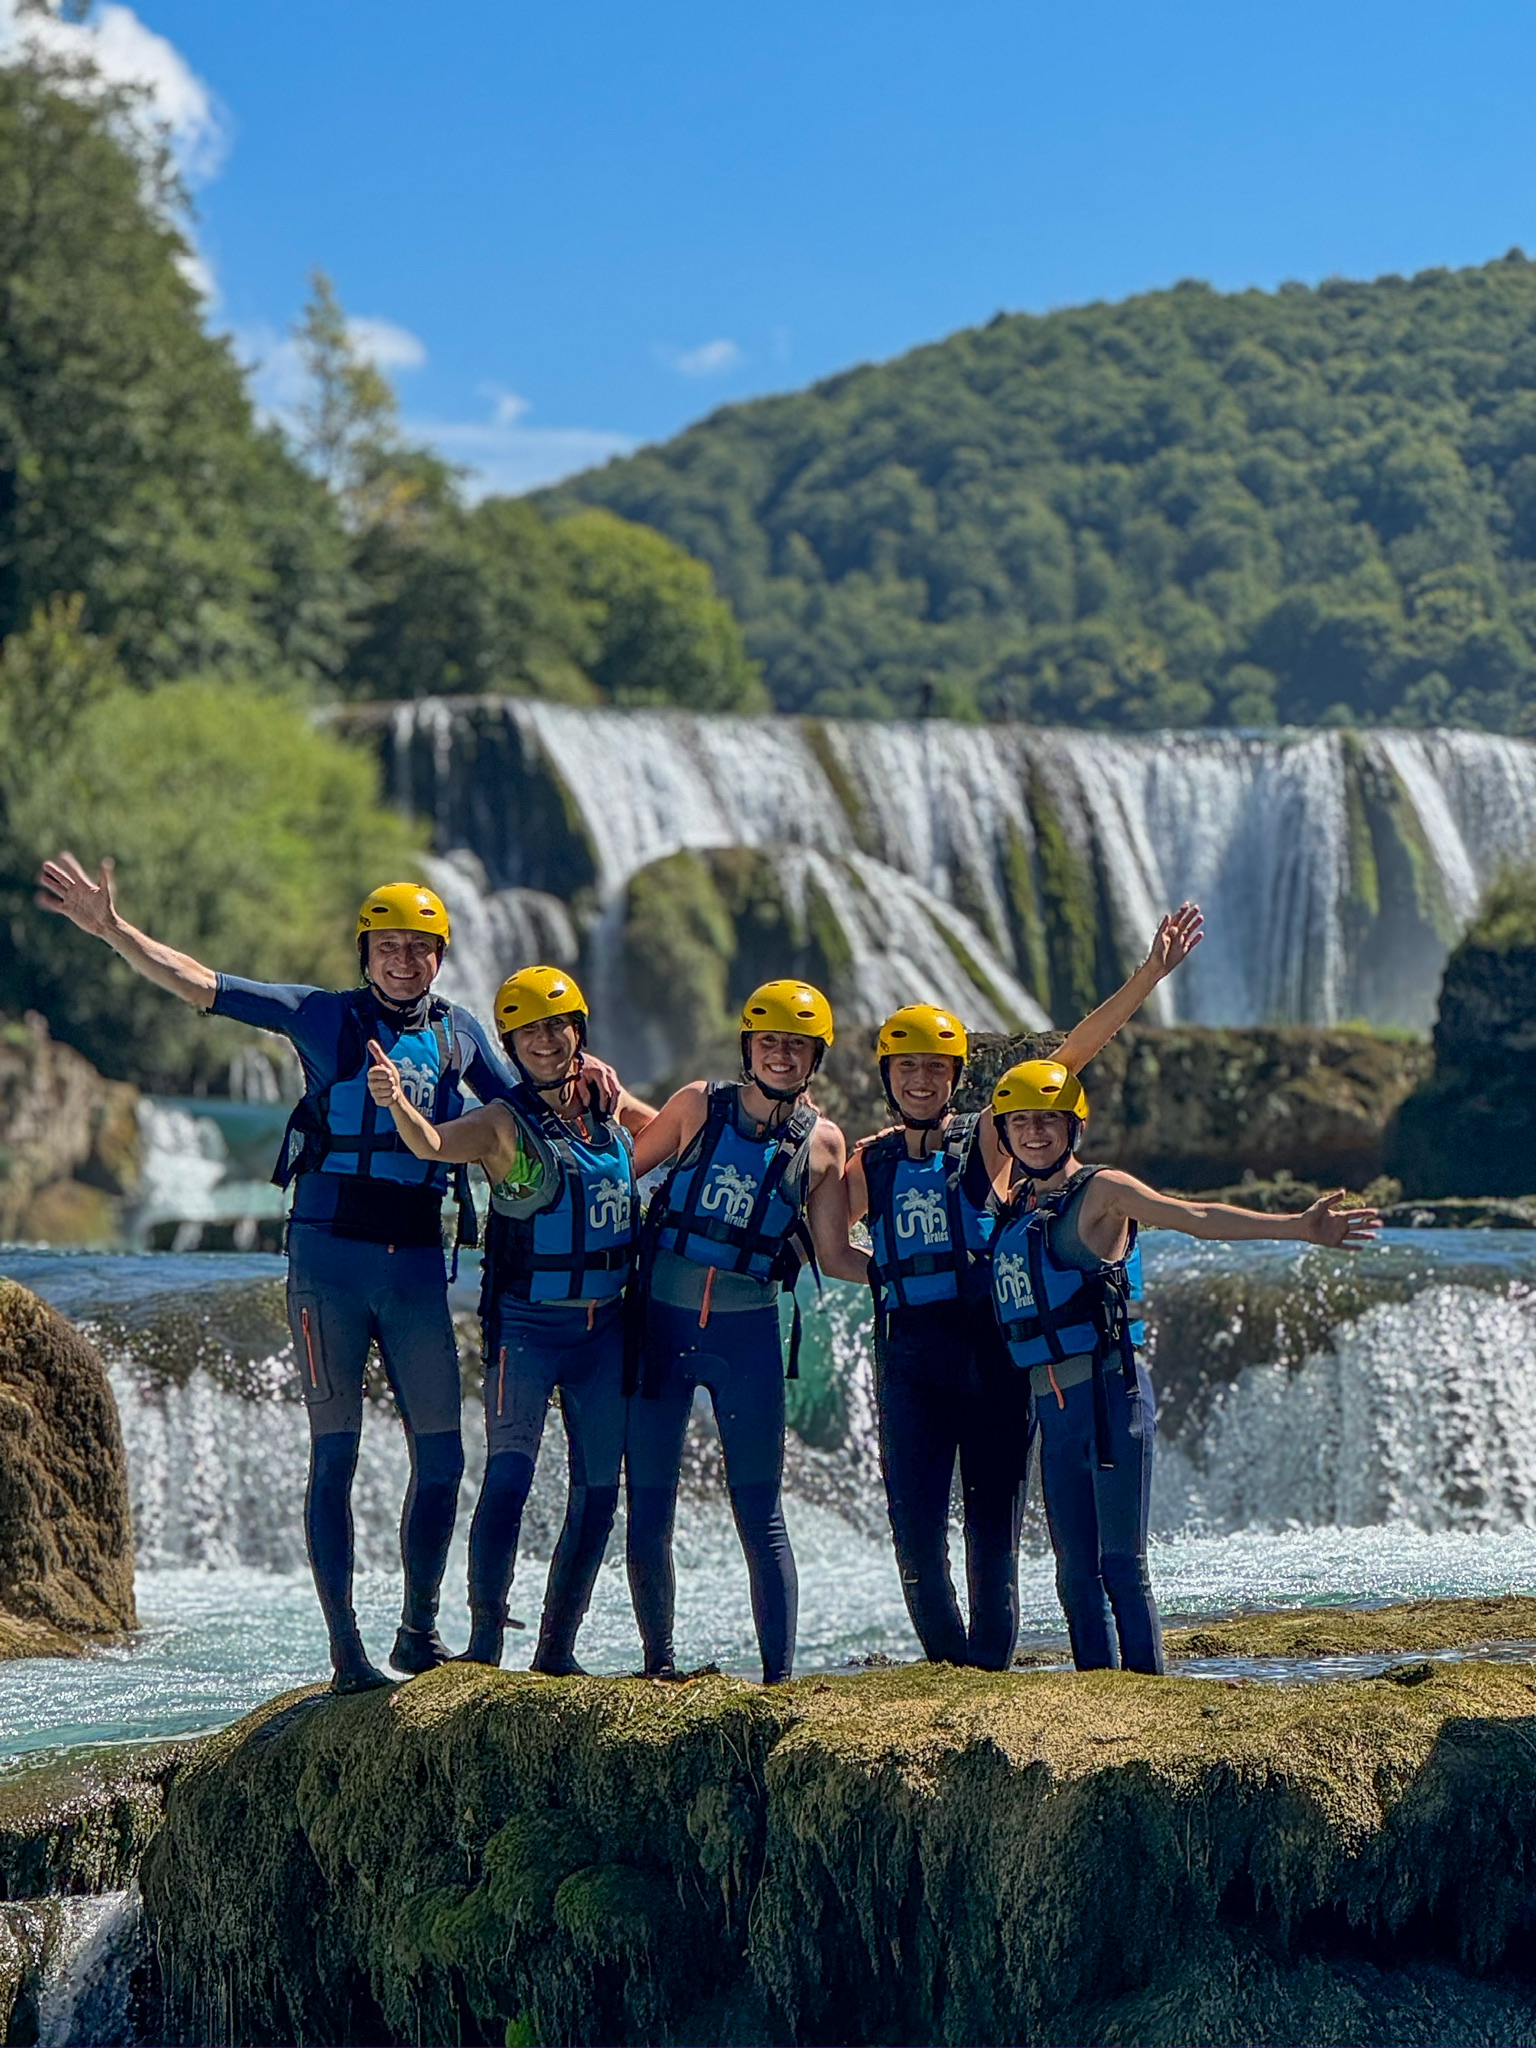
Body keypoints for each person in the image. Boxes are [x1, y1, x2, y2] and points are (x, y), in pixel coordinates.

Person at [34, 853, 522, 1694]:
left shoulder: (461, 1032)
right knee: (335, 1458)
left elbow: (528, 1114)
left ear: (440, 957)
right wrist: (114, 931)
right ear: (365, 952)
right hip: (327, 1262)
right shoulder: (321, 1016)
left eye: (420, 948)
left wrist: (606, 1090)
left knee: (441, 1461)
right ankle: (347, 1654)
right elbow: (203, 986)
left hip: (413, 1267)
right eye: (388, 948)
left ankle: (417, 1630)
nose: (403, 962)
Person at [846, 907, 1204, 1671]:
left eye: (933, 1068)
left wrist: (1149, 975)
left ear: (953, 1078)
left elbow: (1067, 1059)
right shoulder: (864, 1161)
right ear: (886, 1079)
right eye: (905, 1068)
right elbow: (817, 1242)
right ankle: (951, 1673)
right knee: (915, 1538)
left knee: (991, 1537)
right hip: (910, 1360)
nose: (918, 1079)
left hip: (991, 1357)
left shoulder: (989, 1135)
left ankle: (992, 1676)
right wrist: (889, 1281)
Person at [989, 1058, 1380, 1674]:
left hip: (1110, 1398)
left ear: (1073, 1126)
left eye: (1048, 1119)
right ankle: (1095, 1698)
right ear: (1005, 1132)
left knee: (1120, 1563)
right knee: (1074, 1572)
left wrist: (1299, 1228)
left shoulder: (1104, 1192)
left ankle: (1147, 1692)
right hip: (1053, 1409)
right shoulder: (1011, 1206)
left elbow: (1195, 1219)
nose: (1034, 1132)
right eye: (1021, 1122)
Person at [367, 963, 655, 1674]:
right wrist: (399, 1102)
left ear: (580, 1032)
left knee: (597, 1494)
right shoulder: (501, 1123)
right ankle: (486, 1642)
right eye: (529, 1035)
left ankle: (556, 1649)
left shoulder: (611, 1110)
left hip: (606, 1332)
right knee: (509, 1480)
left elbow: (689, 1130)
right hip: (527, 1331)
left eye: (558, 1028)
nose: (547, 1043)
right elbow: (431, 1144)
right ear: (511, 1045)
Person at [626, 980, 870, 1686]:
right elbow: (616, 1178)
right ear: (748, 1048)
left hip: (750, 1338)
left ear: (815, 1056)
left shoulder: (823, 1142)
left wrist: (919, 1277)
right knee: (650, 1508)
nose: (783, 1056)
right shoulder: (697, 1104)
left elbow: (834, 1255)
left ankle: (777, 1683)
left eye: (797, 1045)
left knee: (760, 1516)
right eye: (771, 1043)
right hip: (659, 1334)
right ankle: (657, 1665)